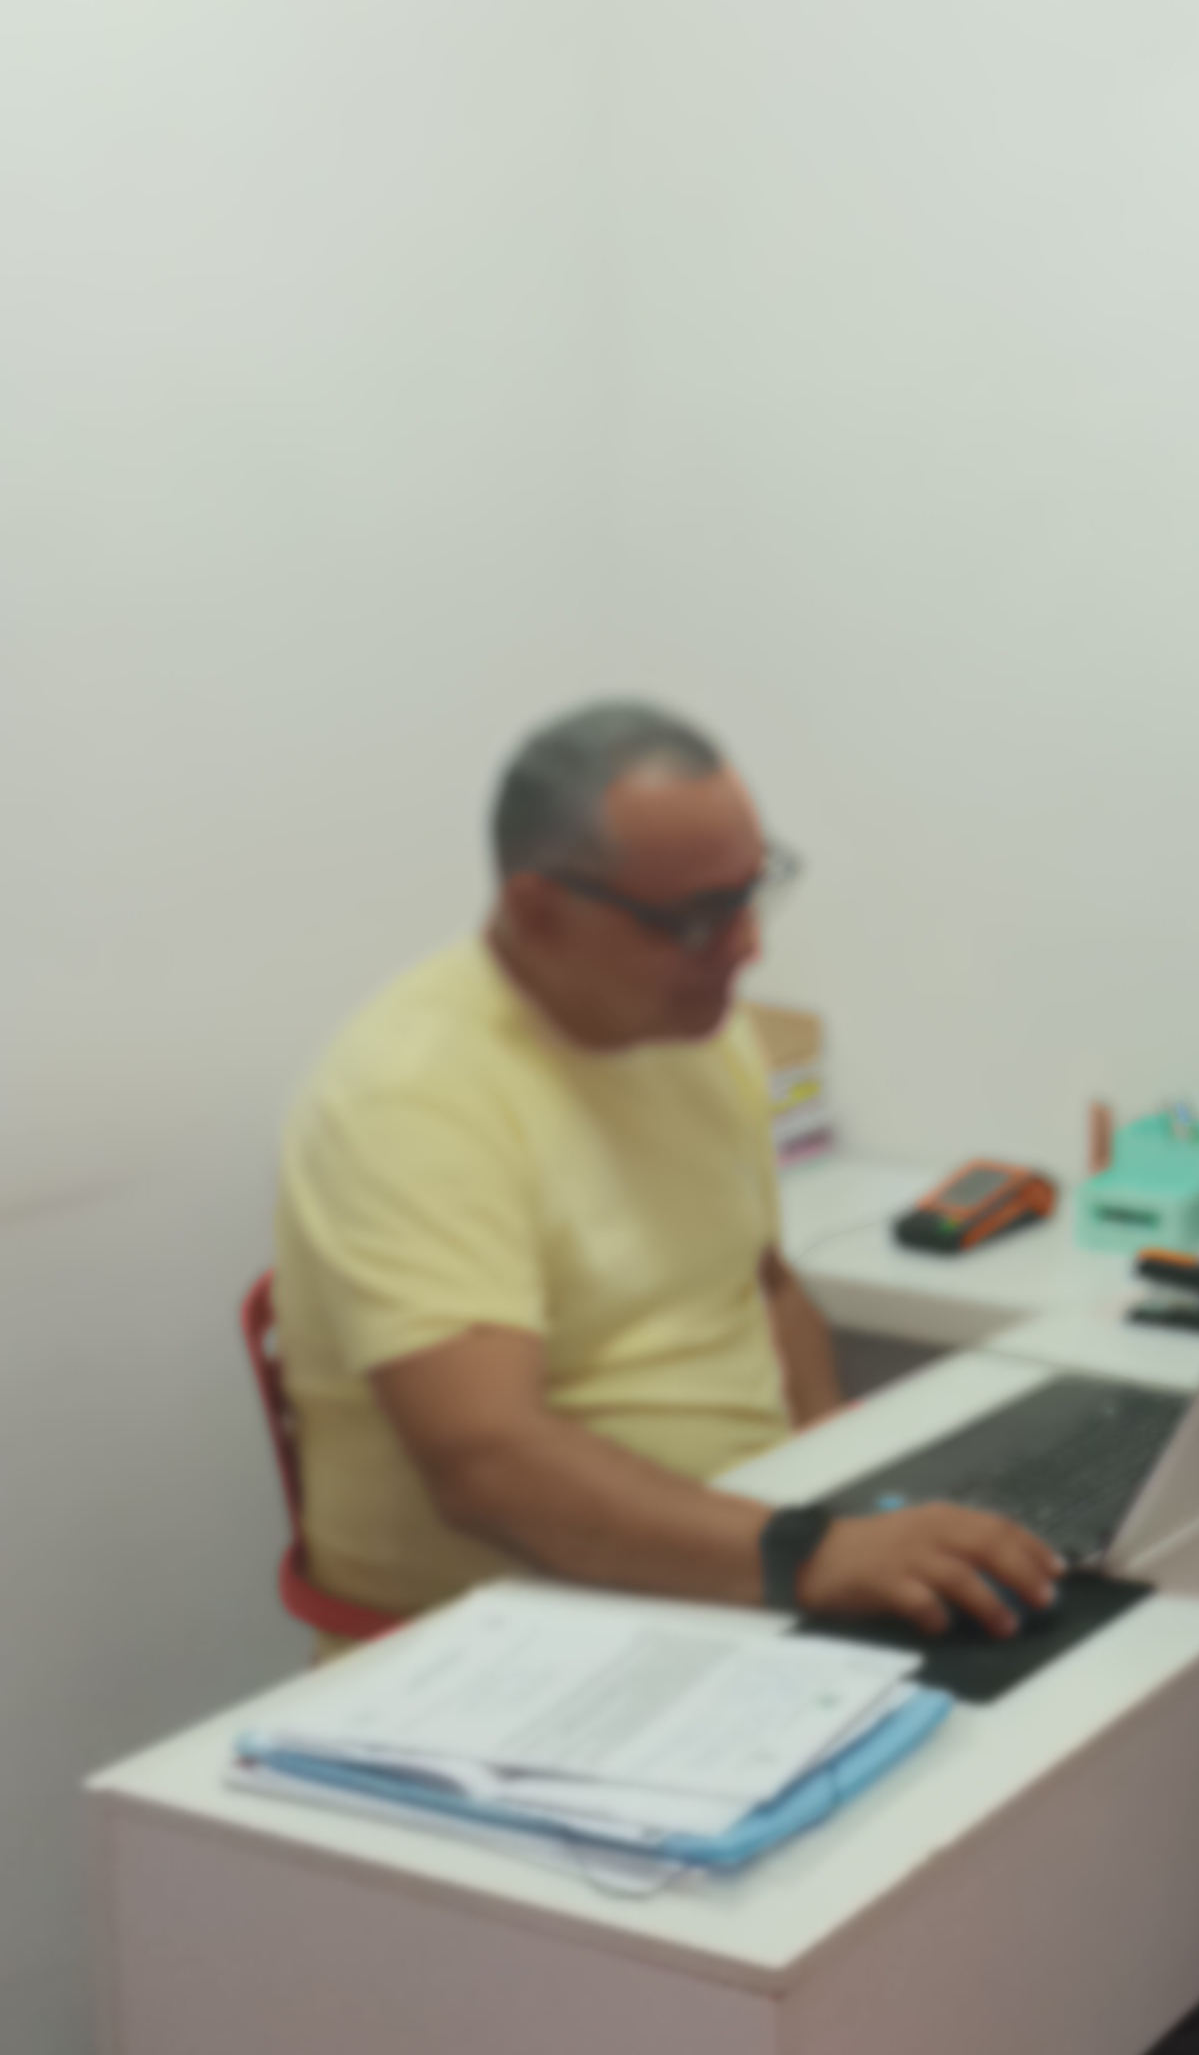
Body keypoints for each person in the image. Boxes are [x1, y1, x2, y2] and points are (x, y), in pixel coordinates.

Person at [271, 701, 1059, 1639]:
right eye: (697, 918)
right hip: (516, 1634)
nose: (748, 945)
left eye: (752, 892)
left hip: (735, 1568)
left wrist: (841, 1480)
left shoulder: (696, 1026)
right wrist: (811, 1556)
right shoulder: (409, 1095)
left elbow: (761, 1283)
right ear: (538, 910)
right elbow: (487, 1464)